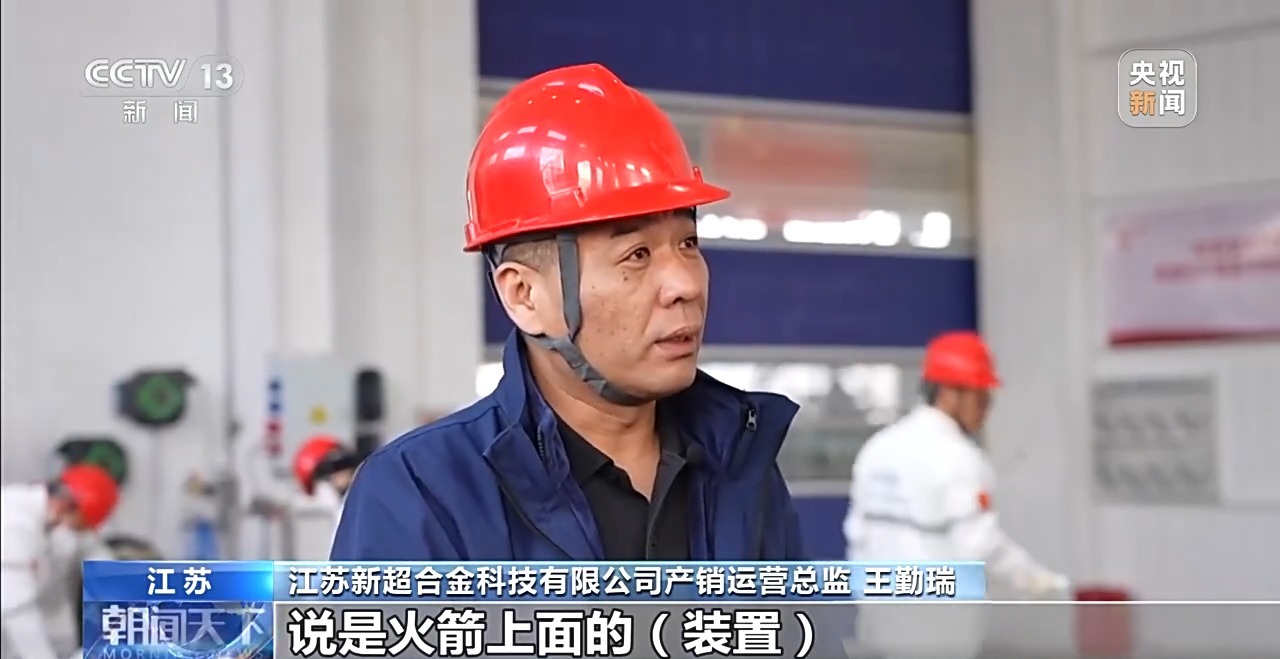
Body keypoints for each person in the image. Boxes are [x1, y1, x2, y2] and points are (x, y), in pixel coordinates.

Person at [331, 63, 807, 562]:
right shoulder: (420, 497)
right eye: (637, 255)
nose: (686, 285)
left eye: (688, 243)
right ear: (524, 295)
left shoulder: (740, 465)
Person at [843, 330, 1070, 659]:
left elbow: (857, 536)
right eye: (981, 397)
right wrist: (1038, 581)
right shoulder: (957, 457)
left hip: (879, 622)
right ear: (949, 393)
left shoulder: (878, 447)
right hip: (936, 631)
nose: (987, 409)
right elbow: (980, 545)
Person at [1, 464, 119, 659]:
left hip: (51, 617)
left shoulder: (58, 514)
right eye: (80, 525)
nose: (78, 531)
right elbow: (18, 614)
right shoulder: (11, 523)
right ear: (65, 506)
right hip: (13, 628)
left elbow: (92, 549)